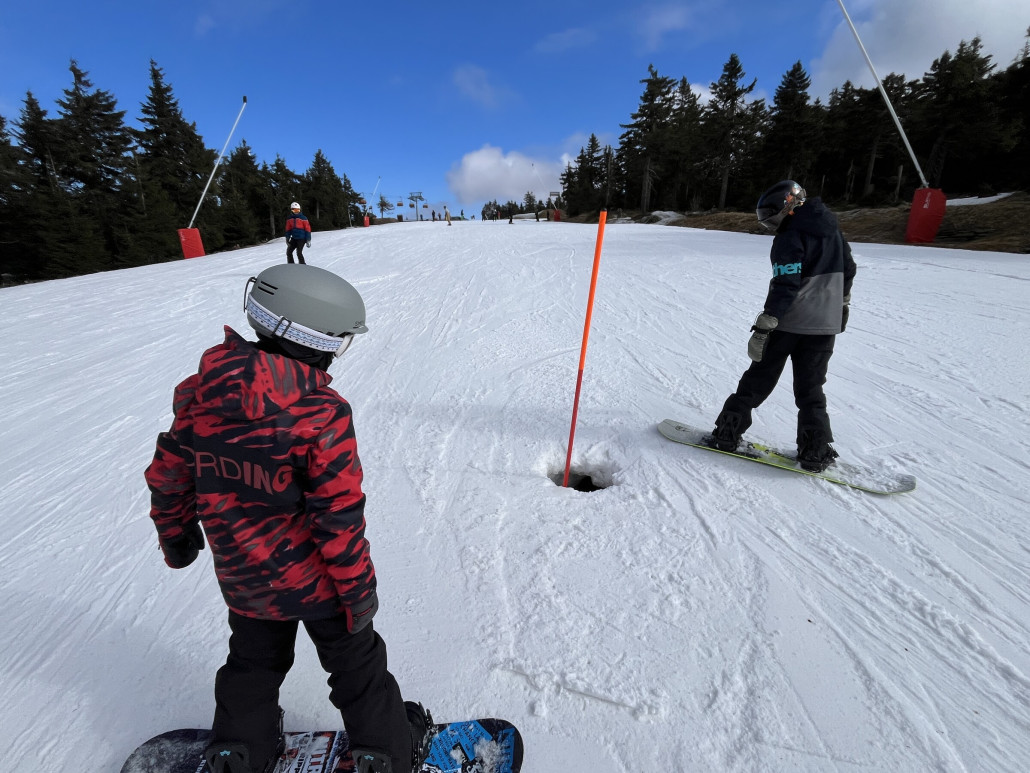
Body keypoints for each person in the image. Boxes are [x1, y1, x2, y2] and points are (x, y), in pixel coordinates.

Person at [145, 264, 433, 773]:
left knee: (252, 664)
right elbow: (338, 516)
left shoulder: (200, 395)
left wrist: (175, 533)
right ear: (315, 341)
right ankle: (384, 753)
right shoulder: (321, 414)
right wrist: (358, 591)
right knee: (357, 668)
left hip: (245, 578)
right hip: (320, 585)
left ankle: (240, 752)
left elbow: (169, 473)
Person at [707, 180, 857, 472]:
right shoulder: (833, 231)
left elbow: (786, 284)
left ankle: (727, 432)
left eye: (769, 217)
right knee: (811, 388)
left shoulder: (790, 235)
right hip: (823, 325)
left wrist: (766, 323)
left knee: (759, 377)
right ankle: (814, 449)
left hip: (789, 321)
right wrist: (841, 304)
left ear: (786, 206)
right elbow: (848, 270)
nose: (769, 224)